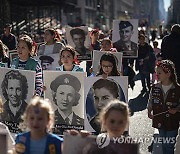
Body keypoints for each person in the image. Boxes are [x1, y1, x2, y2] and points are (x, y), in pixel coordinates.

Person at [147, 60, 180, 154]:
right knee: (163, 143)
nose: (157, 75)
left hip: (172, 122)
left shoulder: (177, 89)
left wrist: (177, 109)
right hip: (159, 120)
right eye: (156, 73)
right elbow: (151, 101)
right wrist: (149, 110)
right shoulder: (155, 87)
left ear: (168, 73)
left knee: (169, 145)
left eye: (159, 73)